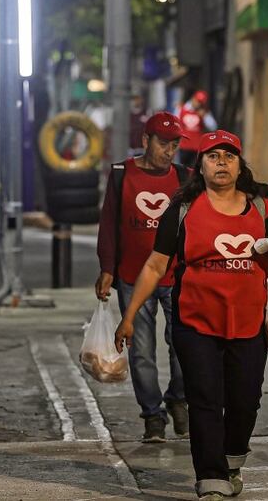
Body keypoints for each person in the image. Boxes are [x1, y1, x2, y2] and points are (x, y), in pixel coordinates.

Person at [114, 130, 268, 500]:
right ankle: (210, 476)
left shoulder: (263, 208)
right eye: (213, 156)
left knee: (246, 399)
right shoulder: (182, 209)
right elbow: (155, 265)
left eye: (229, 156)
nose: (222, 162)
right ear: (201, 166)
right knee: (205, 398)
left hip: (248, 322)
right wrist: (129, 314)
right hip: (195, 322)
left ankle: (231, 460)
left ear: (240, 164)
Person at [96, 111, 191, 443]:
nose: (169, 151)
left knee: (185, 346)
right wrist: (107, 267)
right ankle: (153, 415)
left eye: (175, 144)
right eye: (163, 143)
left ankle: (178, 397)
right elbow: (109, 223)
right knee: (140, 350)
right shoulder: (122, 174)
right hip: (132, 277)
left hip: (177, 277)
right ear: (145, 141)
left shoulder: (185, 177)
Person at [177, 90, 217, 166]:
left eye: (201, 102)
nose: (198, 104)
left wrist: (205, 116)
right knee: (182, 170)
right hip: (183, 147)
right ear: (193, 98)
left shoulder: (204, 112)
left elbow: (213, 126)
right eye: (197, 101)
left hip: (196, 148)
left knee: (194, 170)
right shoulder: (182, 109)